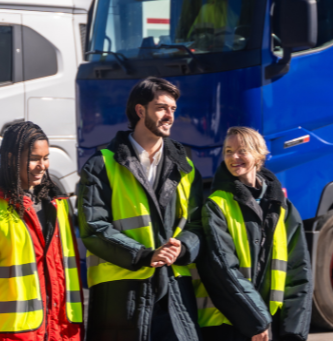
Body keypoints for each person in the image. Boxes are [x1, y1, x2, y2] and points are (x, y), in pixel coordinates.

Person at [77, 77, 204, 341]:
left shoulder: (187, 168)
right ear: (140, 110)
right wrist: (143, 255)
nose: (169, 115)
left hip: (174, 291)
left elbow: (197, 225)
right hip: (123, 295)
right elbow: (93, 227)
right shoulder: (101, 165)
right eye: (161, 108)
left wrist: (185, 246)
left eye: (172, 109)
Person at [0, 122, 83, 341]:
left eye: (46, 157)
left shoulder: (59, 205)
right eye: (34, 159)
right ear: (11, 158)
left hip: (59, 334)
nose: (42, 166)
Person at [197, 127, 312, 341]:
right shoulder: (216, 205)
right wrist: (256, 321)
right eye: (228, 151)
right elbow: (222, 270)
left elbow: (299, 272)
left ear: (259, 155)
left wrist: (294, 332)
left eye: (242, 150)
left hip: (270, 325)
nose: (234, 157)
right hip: (231, 324)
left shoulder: (282, 207)